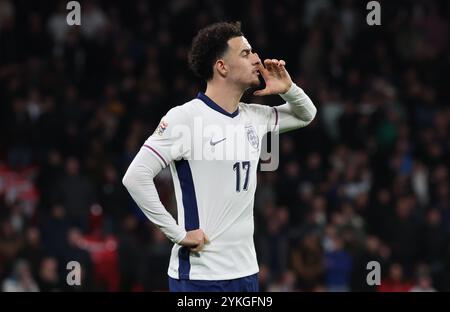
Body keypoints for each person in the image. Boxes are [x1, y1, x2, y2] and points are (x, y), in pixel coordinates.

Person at [122, 21, 317, 292]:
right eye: (246, 53)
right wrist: (177, 234)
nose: (257, 59)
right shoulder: (185, 118)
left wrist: (288, 88)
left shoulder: (254, 116)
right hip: (201, 275)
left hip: (247, 271)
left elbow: (306, 114)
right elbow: (135, 177)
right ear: (221, 66)